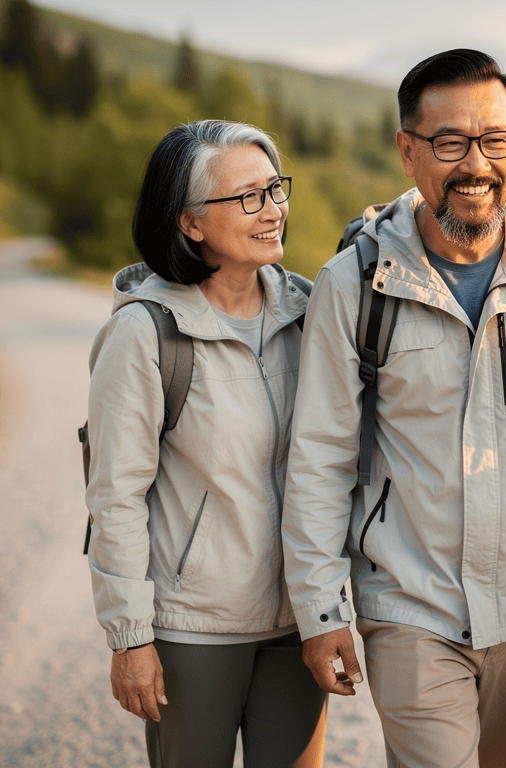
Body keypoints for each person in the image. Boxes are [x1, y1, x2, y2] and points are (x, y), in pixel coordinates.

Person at [281, 49, 506, 768]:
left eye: (496, 140)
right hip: (410, 606)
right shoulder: (355, 284)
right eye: (450, 142)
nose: (475, 164)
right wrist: (320, 612)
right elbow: (320, 456)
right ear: (407, 150)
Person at [86, 120, 326, 768]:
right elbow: (115, 497)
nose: (273, 209)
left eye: (276, 189)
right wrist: (130, 637)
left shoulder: (312, 314)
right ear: (190, 222)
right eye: (248, 197)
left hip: (298, 628)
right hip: (193, 632)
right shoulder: (145, 334)